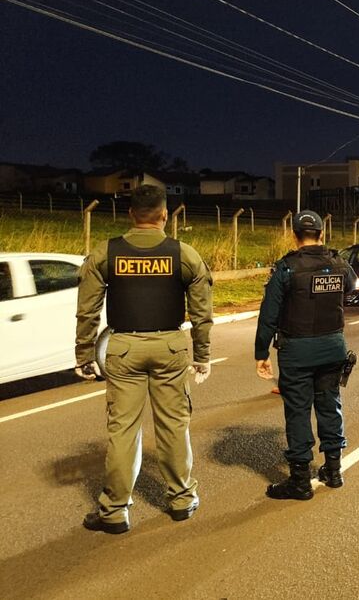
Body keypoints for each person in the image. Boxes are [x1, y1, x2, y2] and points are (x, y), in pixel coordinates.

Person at [75, 185, 213, 534]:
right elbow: (201, 313)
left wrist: (84, 353)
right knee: (173, 426)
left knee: (123, 431)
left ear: (130, 215)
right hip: (169, 347)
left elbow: (87, 311)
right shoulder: (184, 254)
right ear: (164, 215)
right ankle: (181, 500)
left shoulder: (106, 253)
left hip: (123, 349)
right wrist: (203, 356)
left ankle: (115, 512)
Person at [254, 209, 357, 500]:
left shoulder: (286, 269)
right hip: (333, 347)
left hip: (298, 352)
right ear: (322, 234)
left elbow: (269, 314)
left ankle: (300, 481)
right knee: (329, 405)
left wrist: (261, 351)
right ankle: (333, 471)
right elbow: (350, 285)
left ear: (294, 235)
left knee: (298, 412)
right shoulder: (338, 263)